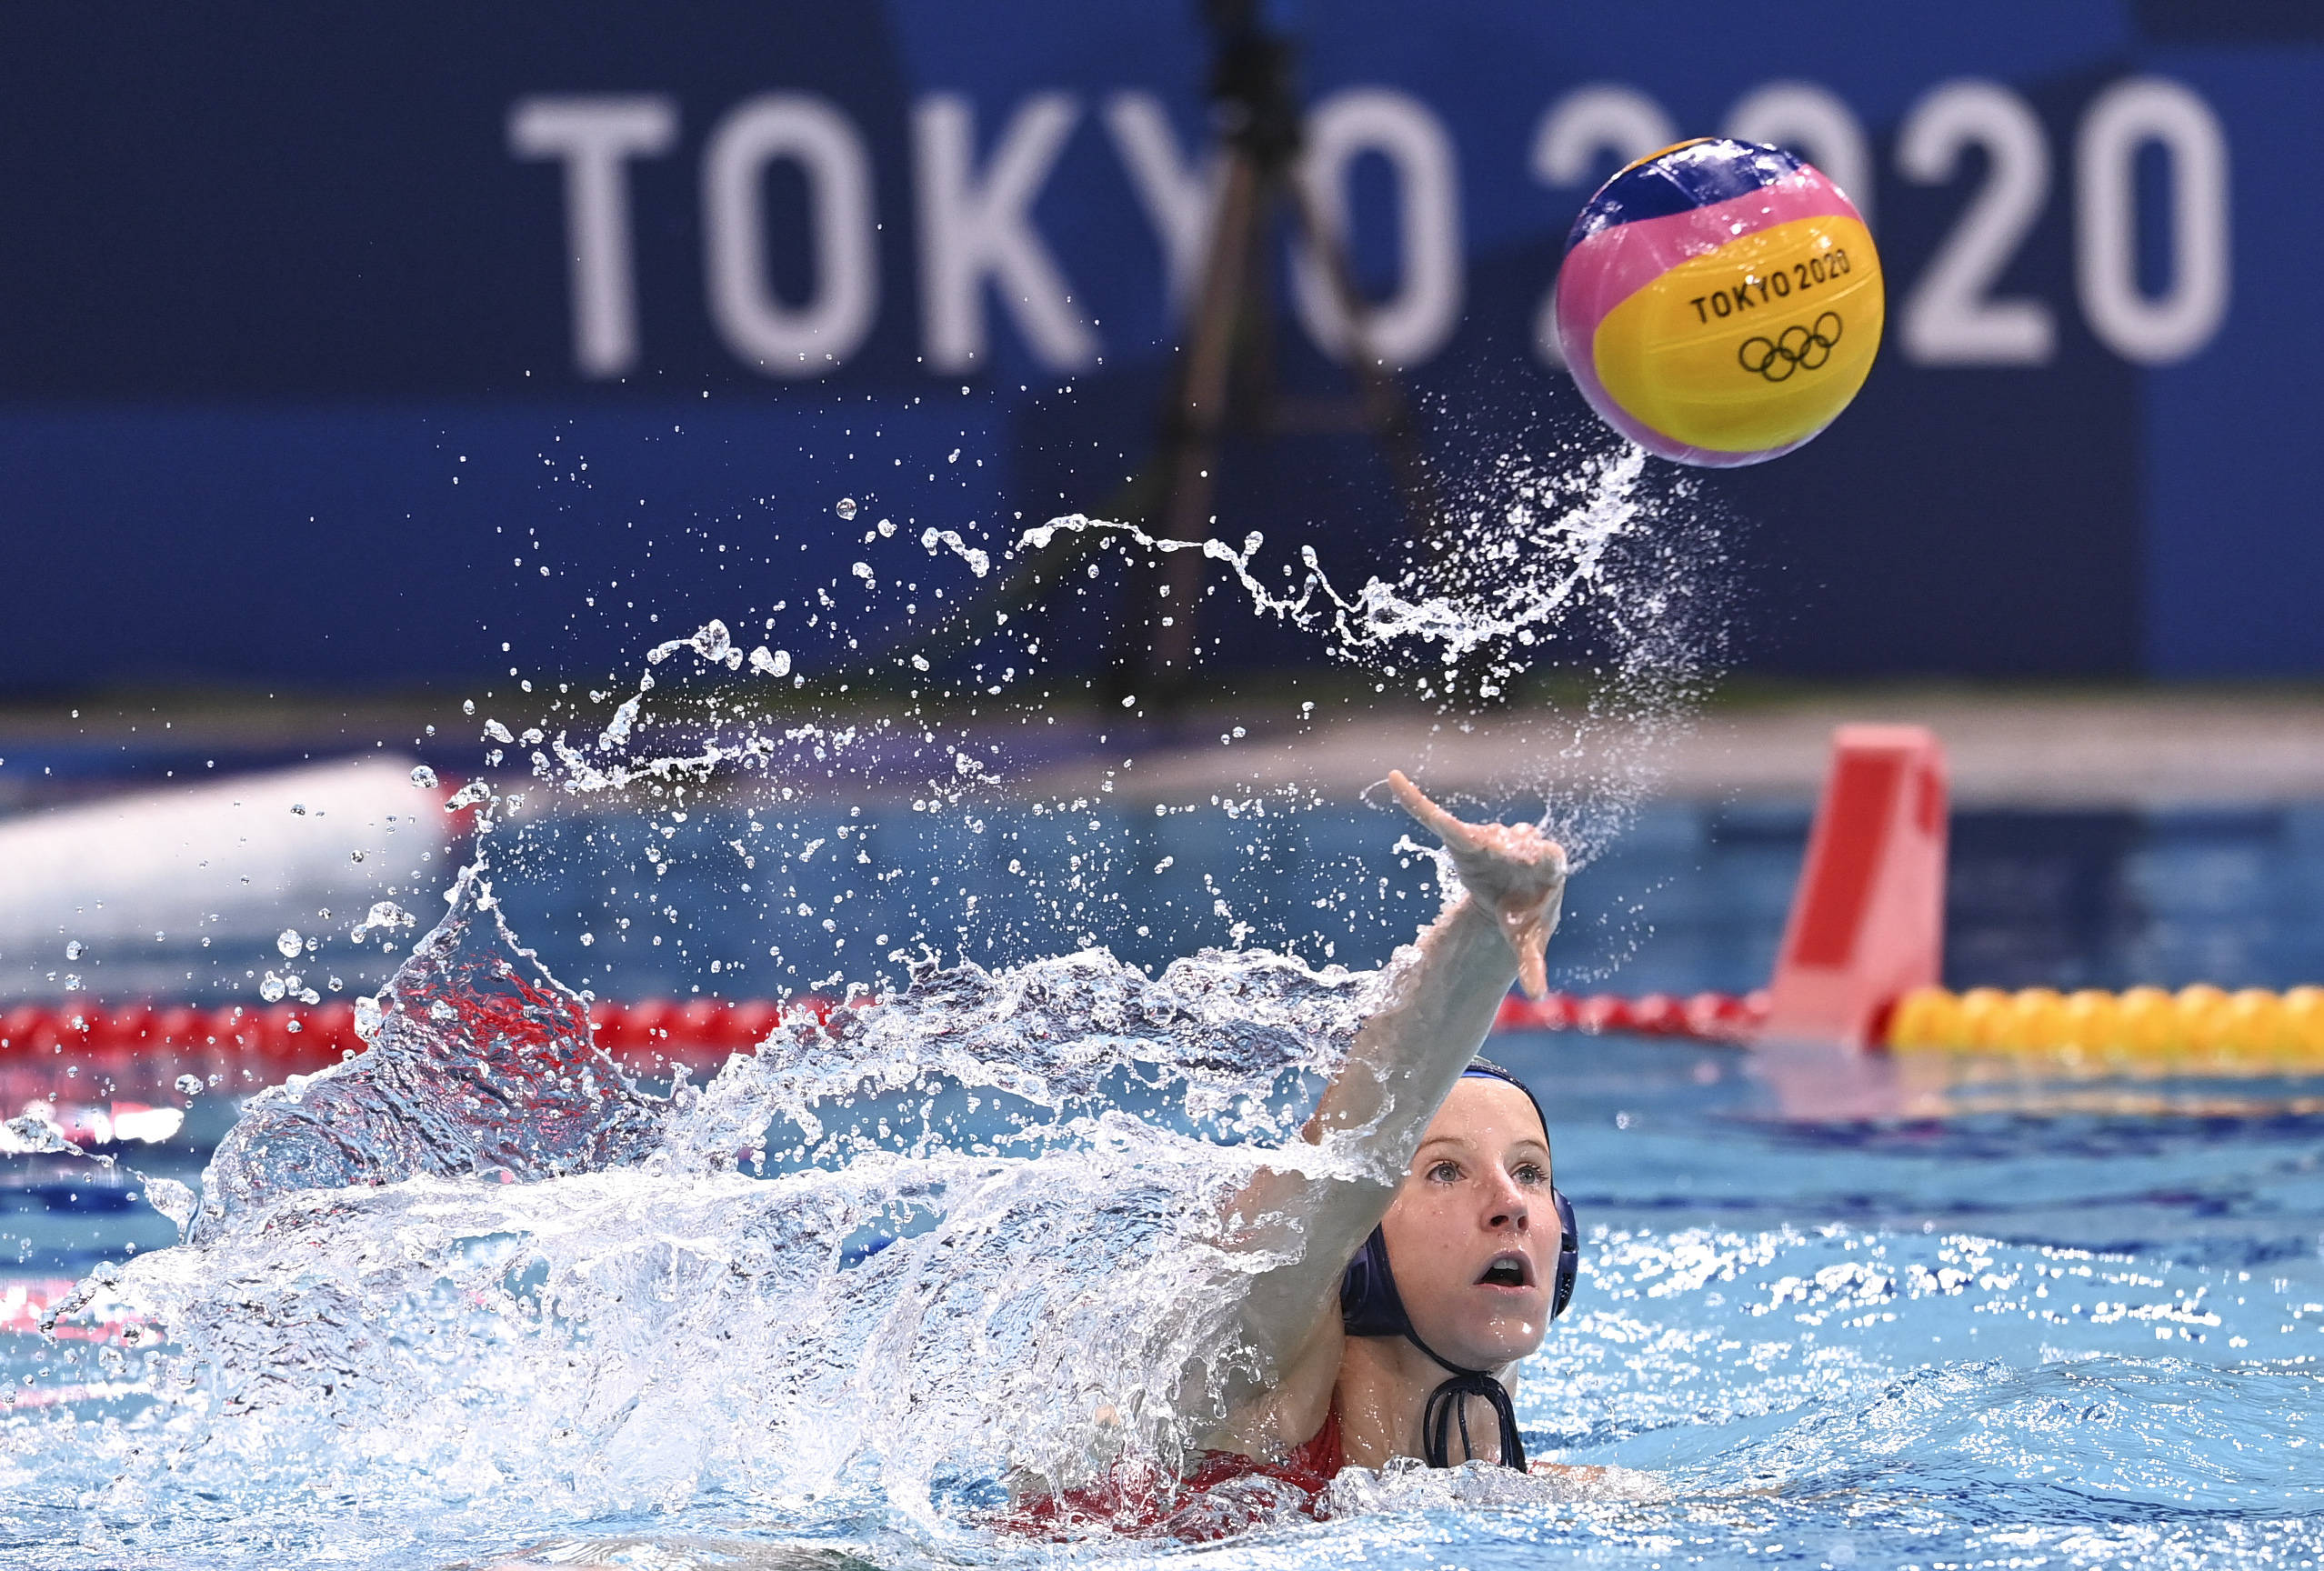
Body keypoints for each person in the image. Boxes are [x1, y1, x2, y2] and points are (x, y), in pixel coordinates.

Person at [1009, 769, 1576, 1536]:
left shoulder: (1532, 1492)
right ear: (1360, 1248)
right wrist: (1489, 926)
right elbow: (1352, 1149)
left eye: (1531, 1173)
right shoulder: (1261, 1395)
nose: (1510, 1204)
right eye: (1445, 1170)